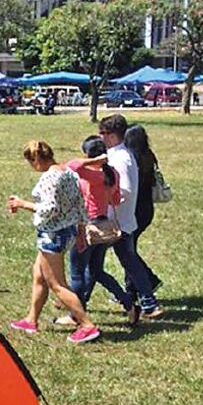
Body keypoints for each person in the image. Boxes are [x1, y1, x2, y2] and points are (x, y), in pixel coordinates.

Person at [7, 141, 100, 343]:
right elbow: (80, 203)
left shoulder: (50, 177)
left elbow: (49, 209)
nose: (33, 167)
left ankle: (86, 325)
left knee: (57, 284)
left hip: (52, 235)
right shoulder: (68, 172)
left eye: (31, 162)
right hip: (67, 231)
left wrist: (22, 204)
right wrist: (82, 229)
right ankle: (31, 320)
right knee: (38, 275)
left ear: (37, 159)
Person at [62, 137, 140, 326]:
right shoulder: (112, 173)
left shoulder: (93, 174)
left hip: (87, 227)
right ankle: (129, 304)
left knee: (77, 273)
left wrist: (91, 162)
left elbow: (71, 165)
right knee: (96, 271)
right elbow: (116, 197)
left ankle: (77, 316)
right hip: (104, 227)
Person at [100, 115, 163, 318]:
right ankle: (148, 303)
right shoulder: (125, 155)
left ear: (111, 135)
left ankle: (76, 307)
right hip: (124, 219)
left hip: (115, 220)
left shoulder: (119, 158)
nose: (100, 138)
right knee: (130, 261)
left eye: (102, 134)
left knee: (88, 265)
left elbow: (124, 190)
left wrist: (103, 199)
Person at [124, 125, 162, 300]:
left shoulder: (131, 159)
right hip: (146, 209)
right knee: (129, 249)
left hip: (134, 210)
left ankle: (146, 281)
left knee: (127, 251)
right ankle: (132, 290)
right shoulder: (149, 156)